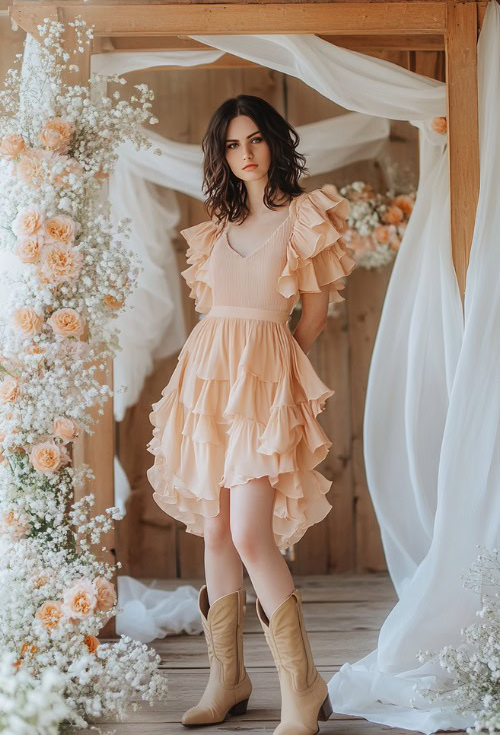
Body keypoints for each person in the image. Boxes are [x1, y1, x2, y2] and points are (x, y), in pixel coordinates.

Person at [147, 94, 356, 732]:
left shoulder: (304, 216)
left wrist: (278, 379)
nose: (246, 154)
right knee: (215, 530)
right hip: (207, 380)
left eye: (256, 140)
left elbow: (313, 314)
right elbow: (215, 312)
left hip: (264, 382)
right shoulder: (217, 225)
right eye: (233, 145)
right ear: (222, 153)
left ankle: (302, 686)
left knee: (250, 534)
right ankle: (227, 679)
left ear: (274, 142)